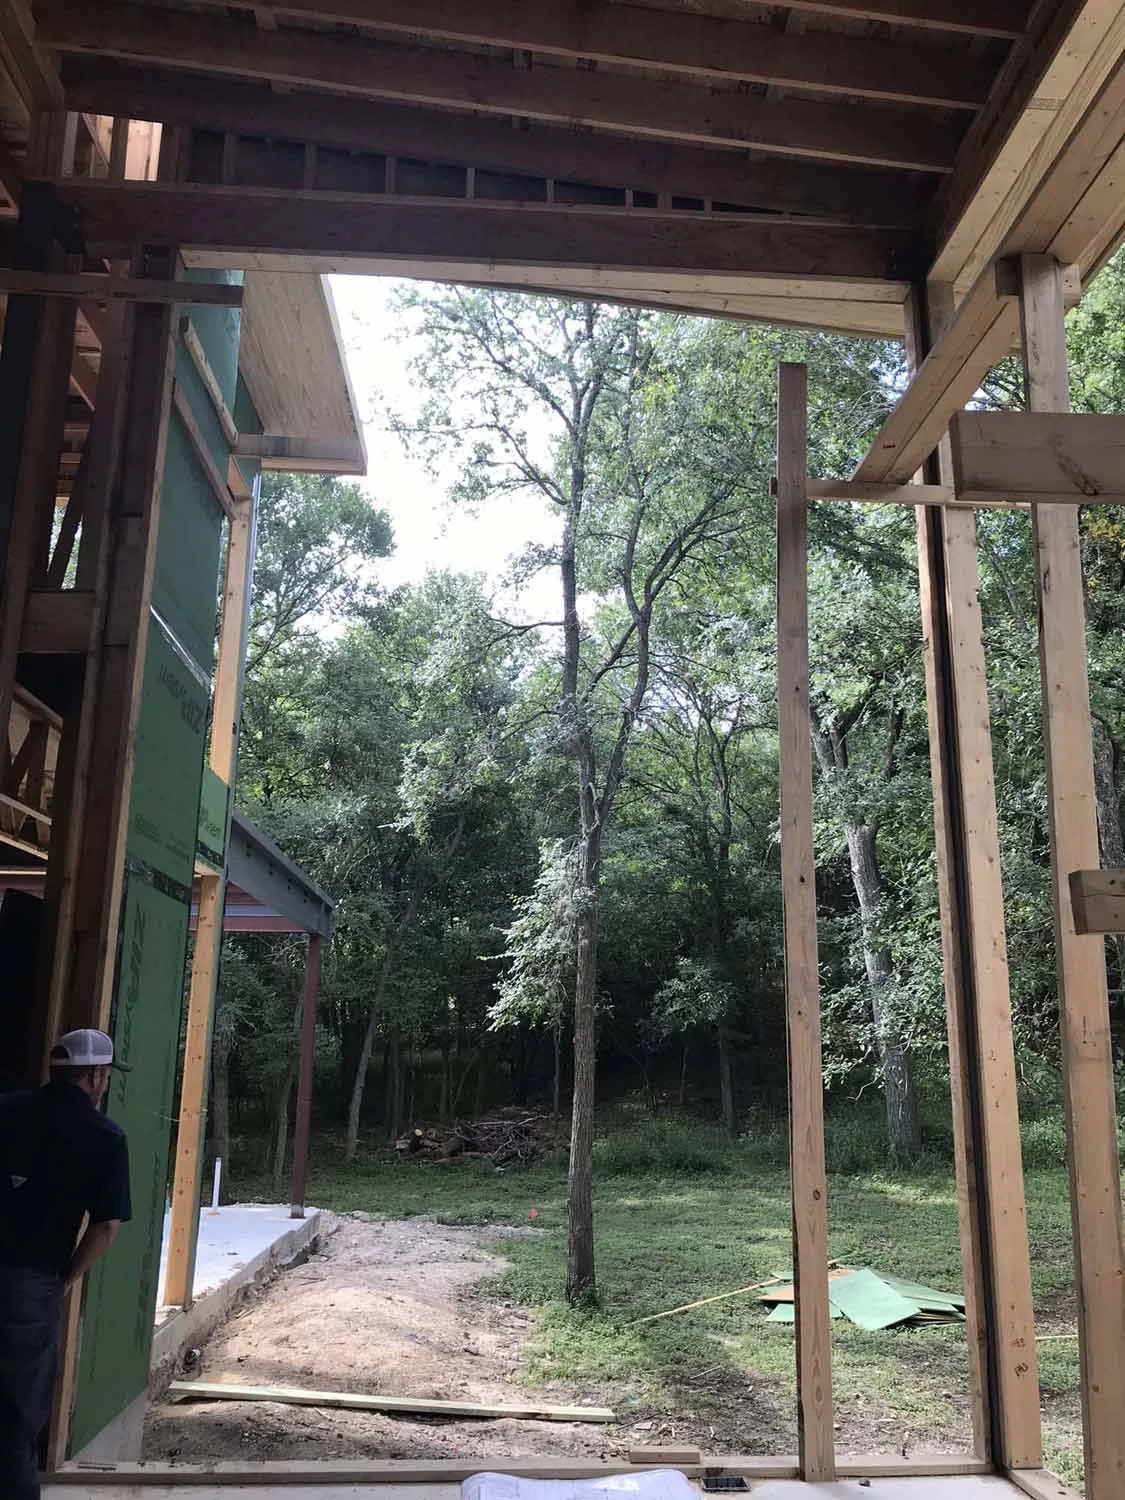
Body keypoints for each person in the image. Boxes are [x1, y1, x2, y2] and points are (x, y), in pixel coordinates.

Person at [0, 1029, 131, 1500]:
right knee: (15, 1418)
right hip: (30, 1285)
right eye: (106, 1076)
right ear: (95, 1076)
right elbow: (106, 1227)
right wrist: (67, 1278)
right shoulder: (105, 1137)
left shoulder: (6, 1110)